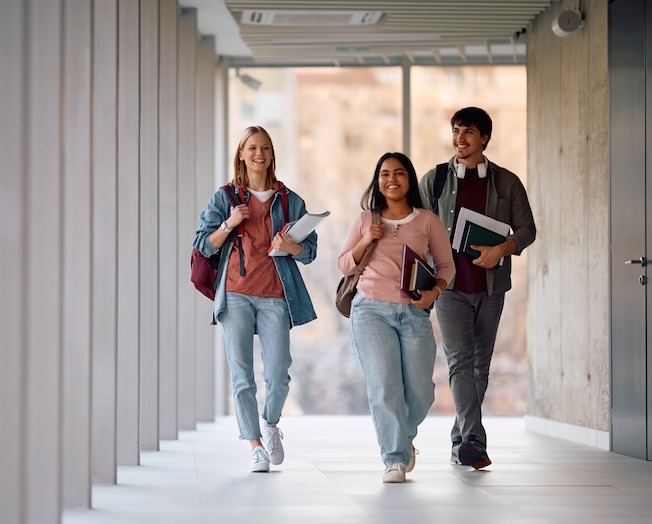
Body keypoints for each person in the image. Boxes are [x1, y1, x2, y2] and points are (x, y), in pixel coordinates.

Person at [192, 126, 318, 473]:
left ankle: (271, 423)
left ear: (272, 155)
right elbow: (204, 243)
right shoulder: (225, 198)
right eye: (252, 148)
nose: (258, 153)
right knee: (242, 376)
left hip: (276, 295)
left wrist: (293, 247)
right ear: (242, 154)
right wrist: (230, 224)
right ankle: (255, 445)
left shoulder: (291, 200)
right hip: (235, 294)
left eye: (265, 148)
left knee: (279, 373)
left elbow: (310, 252)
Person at [418, 107, 536, 470]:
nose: (460, 139)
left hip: (491, 286)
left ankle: (460, 440)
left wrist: (501, 249)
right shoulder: (434, 180)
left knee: (480, 366)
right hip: (448, 286)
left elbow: (527, 230)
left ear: (484, 137)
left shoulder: (507, 182)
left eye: (468, 132)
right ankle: (474, 440)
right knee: (460, 361)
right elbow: (416, 228)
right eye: (456, 131)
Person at [337, 152, 455, 483]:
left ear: (409, 179)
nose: (392, 179)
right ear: (377, 180)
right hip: (371, 311)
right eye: (385, 173)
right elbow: (344, 264)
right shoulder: (365, 219)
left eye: (400, 173)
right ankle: (394, 458)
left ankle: (401, 438)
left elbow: (446, 266)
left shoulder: (427, 220)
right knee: (384, 386)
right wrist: (366, 239)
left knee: (421, 391)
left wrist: (435, 293)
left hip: (414, 312)